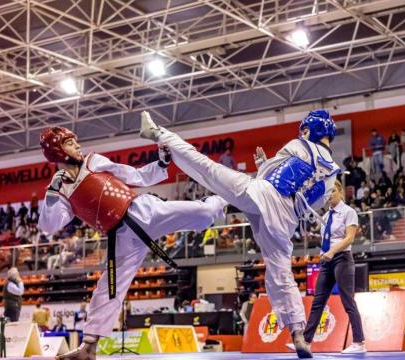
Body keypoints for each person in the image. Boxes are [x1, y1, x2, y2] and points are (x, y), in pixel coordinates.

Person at [141, 109, 340, 359]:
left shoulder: (299, 144)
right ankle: (298, 332)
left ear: (309, 129)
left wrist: (262, 166)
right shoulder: (332, 175)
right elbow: (308, 198)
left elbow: (270, 177)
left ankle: (160, 134)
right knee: (281, 272)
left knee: (208, 170)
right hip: (286, 219)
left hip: (263, 194)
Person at [38, 126, 228, 360]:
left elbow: (134, 176)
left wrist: (160, 164)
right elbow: (49, 225)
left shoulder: (93, 162)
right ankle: (88, 348)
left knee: (204, 211)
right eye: (69, 143)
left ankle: (230, 196)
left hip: (141, 210)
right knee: (107, 290)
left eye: (75, 141)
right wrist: (52, 194)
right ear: (57, 151)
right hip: (120, 238)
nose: (77, 145)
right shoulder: (60, 191)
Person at [293, 181, 365, 354]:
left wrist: (332, 251)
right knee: (318, 302)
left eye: (333, 191)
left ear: (340, 191)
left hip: (342, 259)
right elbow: (323, 239)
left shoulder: (349, 212)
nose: (330, 195)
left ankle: (359, 342)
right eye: (327, 192)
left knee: (348, 300)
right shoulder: (325, 217)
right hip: (326, 260)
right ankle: (306, 342)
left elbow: (349, 239)